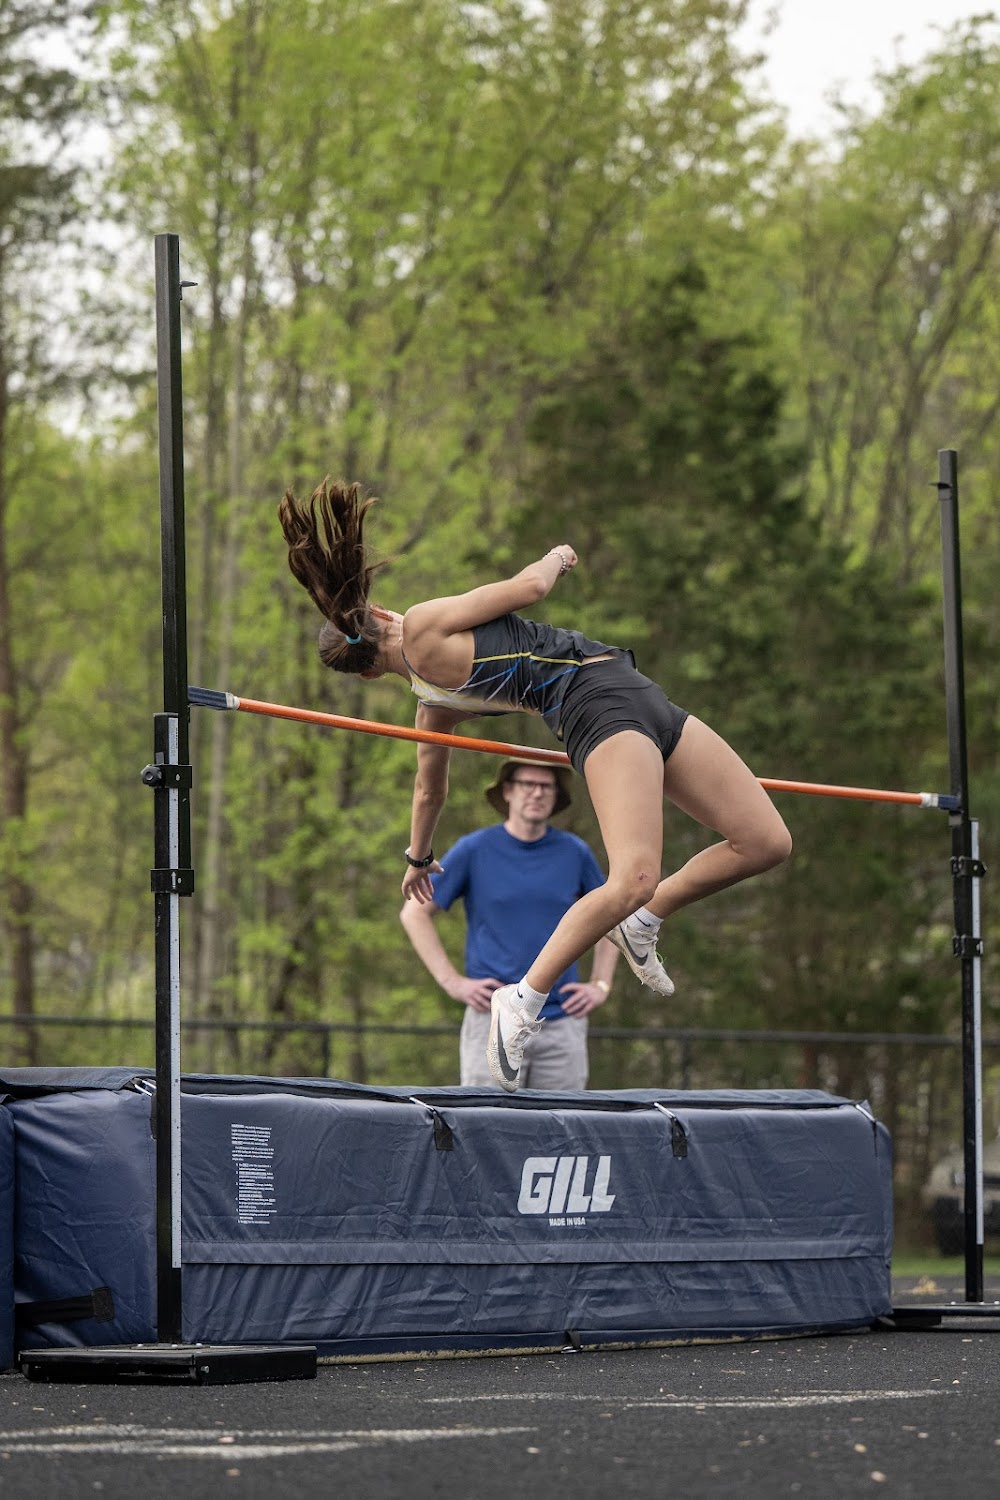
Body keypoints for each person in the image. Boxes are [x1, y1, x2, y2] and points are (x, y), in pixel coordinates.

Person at [278, 478, 792, 1094]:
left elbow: (428, 791)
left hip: (634, 691)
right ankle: (522, 999)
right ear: (380, 614)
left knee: (764, 841)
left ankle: (644, 921)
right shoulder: (422, 625)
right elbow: (530, 588)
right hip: (596, 707)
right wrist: (558, 556)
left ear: (364, 675)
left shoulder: (431, 708)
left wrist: (418, 857)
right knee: (632, 876)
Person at [399, 757, 619, 1090]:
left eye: (546, 786)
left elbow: (612, 916)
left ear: (556, 796)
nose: (537, 793)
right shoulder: (474, 849)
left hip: (560, 1024)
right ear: (507, 792)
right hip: (491, 1021)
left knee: (562, 1121)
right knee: (488, 1118)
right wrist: (452, 982)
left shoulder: (574, 852)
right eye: (527, 784)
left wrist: (600, 984)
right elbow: (414, 913)